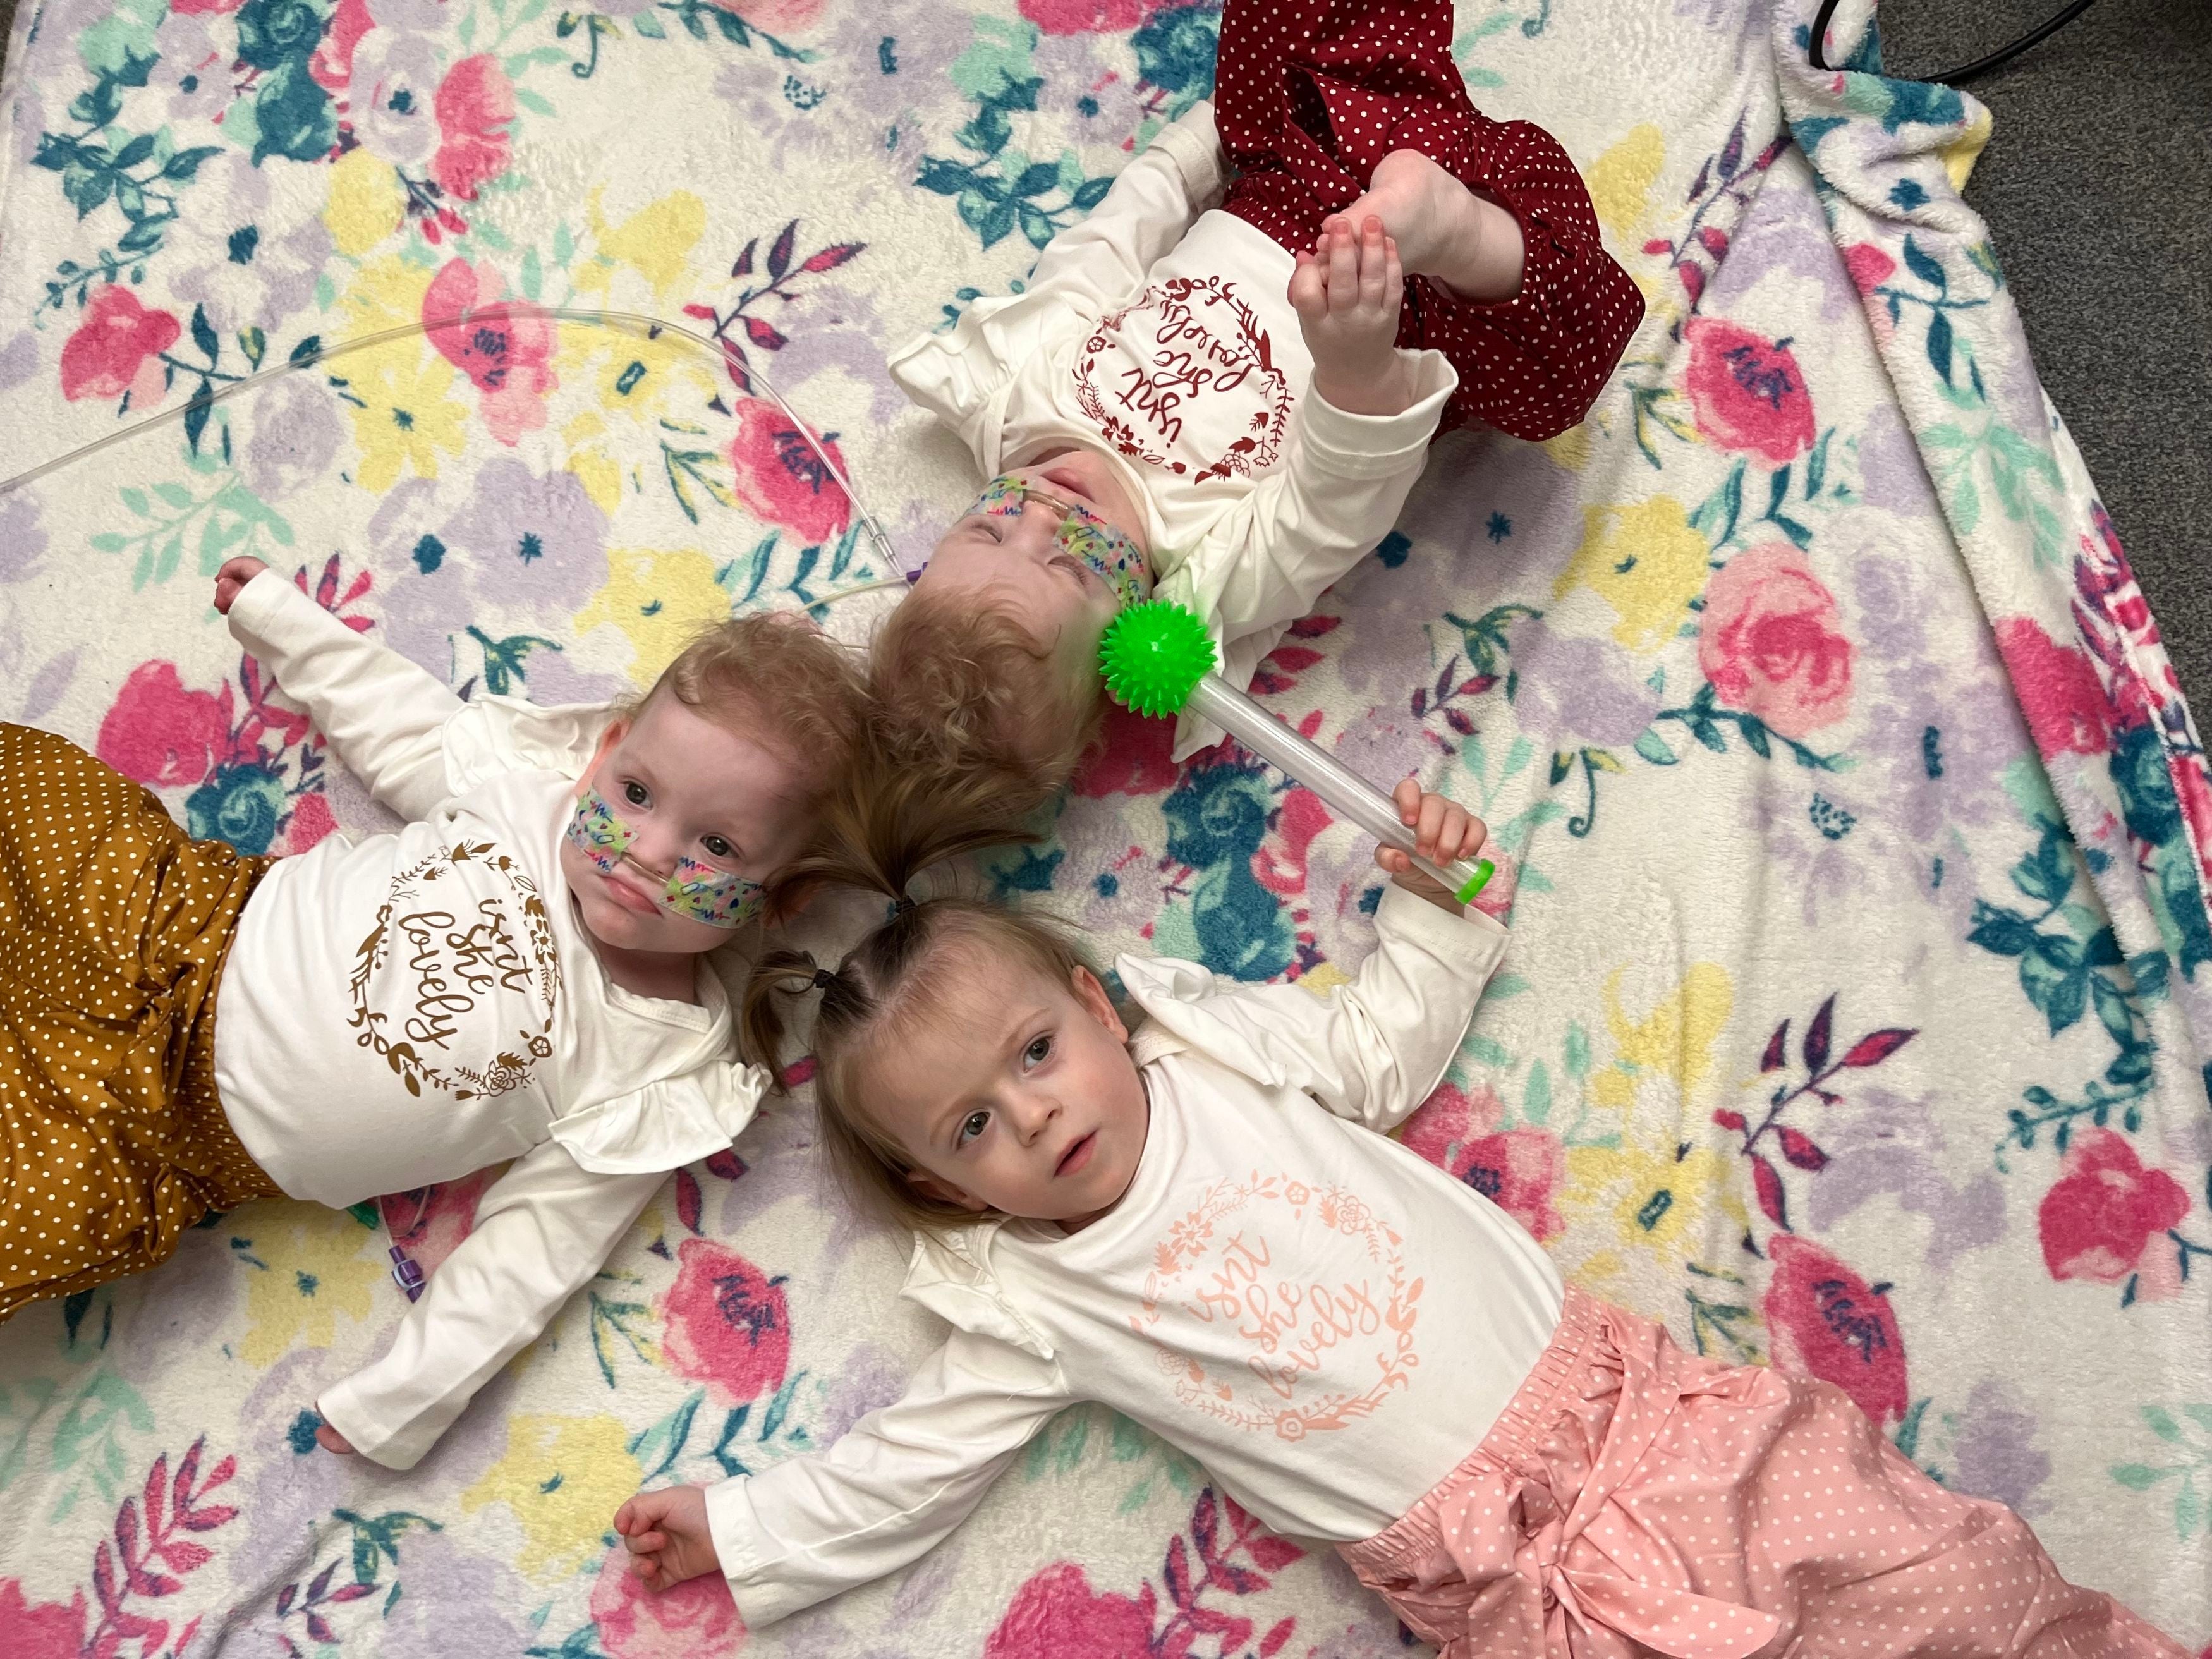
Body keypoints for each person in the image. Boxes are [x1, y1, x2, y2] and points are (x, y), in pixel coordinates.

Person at [609, 781, 2185, 1659]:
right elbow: (915, 1464)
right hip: (1528, 1601)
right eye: (974, 1126)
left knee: (1946, 1583)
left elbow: (1378, 1045)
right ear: (952, 1188)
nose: (1034, 1112)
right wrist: (745, 1531)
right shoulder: (1036, 1298)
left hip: (1652, 1431)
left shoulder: (1215, 1054)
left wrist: (1435, 908)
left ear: (1100, 1004)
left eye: (1036, 1052)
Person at [0, 553, 865, 1470]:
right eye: (639, 794)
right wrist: (284, 621)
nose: (647, 851)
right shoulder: (522, 796)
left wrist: (404, 1398)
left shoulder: (660, 1067)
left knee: (31, 1206)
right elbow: (395, 720)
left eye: (717, 844)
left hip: (154, 1131)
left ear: (784, 898)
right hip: (171, 914)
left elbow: (533, 1252)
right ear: (604, 758)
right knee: (30, 780)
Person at [874, 0, 1644, 809]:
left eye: (987, 525)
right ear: (1131, 643)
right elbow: (1330, 504)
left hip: (1301, 157)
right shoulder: (1209, 572)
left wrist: (1196, 145)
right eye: (1070, 564)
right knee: (1558, 383)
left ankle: (1391, 156)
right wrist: (1353, 358)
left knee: (1275, 27)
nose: (1041, 510)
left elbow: (1106, 248)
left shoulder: (1016, 401)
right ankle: (1456, 226)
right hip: (1420, 298)